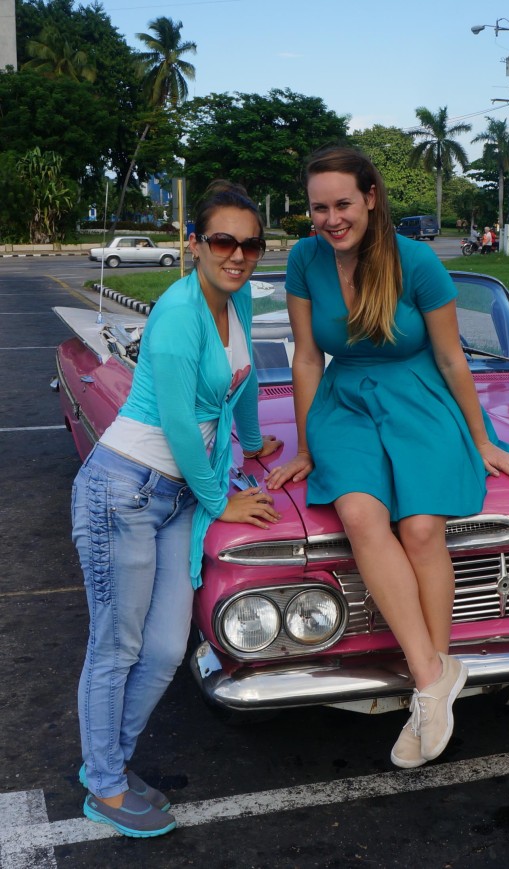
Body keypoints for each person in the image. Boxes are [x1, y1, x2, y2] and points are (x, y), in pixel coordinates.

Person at [266, 145, 509, 769]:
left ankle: (428, 691)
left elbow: (450, 358)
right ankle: (433, 679)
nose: (331, 219)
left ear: (370, 198)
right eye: (318, 208)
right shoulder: (305, 260)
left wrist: (482, 438)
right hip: (346, 401)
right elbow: (308, 357)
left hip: (421, 395)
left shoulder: (416, 262)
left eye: (343, 204)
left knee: (419, 527)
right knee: (361, 515)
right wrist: (306, 445)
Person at [72, 181, 283, 838]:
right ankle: (103, 781)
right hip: (125, 491)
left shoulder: (237, 298)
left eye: (251, 243)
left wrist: (252, 444)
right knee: (116, 644)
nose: (239, 254)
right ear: (194, 244)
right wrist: (225, 498)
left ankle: (112, 761)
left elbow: (238, 383)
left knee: (165, 648)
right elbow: (182, 426)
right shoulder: (176, 316)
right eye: (224, 240)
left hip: (173, 499)